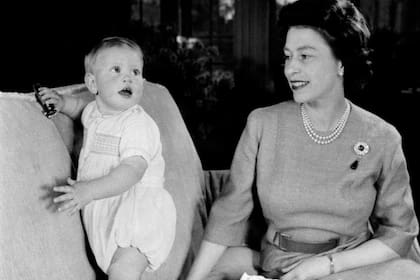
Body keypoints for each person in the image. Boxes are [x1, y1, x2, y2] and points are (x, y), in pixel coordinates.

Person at [186, 0, 419, 279]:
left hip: (348, 270)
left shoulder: (382, 137)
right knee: (217, 265)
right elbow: (228, 214)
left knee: (408, 273)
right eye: (288, 56)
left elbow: (400, 233)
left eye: (305, 56)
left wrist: (326, 265)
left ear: (341, 62)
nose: (290, 69)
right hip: (277, 267)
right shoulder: (262, 123)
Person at [39, 36, 176, 280]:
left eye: (136, 72)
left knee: (123, 270)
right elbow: (81, 109)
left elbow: (132, 171)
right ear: (93, 83)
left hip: (136, 213)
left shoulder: (137, 124)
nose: (128, 77)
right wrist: (62, 103)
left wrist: (87, 191)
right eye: (117, 70)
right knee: (114, 269)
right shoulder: (94, 111)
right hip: (108, 212)